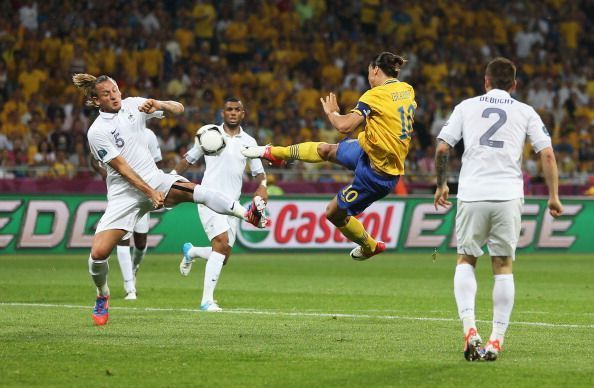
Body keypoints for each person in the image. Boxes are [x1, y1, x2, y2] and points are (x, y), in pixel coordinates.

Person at [72, 74, 269, 325]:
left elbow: (179, 108)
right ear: (95, 99)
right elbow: (122, 168)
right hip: (124, 195)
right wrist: (149, 192)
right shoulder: (97, 131)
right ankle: (102, 295)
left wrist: (159, 104)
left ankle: (246, 214)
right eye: (107, 94)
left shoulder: (133, 105)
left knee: (200, 192)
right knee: (98, 254)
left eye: (116, 90)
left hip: (155, 179)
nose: (114, 96)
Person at [433, 57, 564, 361]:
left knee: (466, 259)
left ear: (486, 81)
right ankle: (495, 341)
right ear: (514, 85)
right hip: (507, 196)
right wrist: (553, 195)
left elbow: (442, 148)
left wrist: (441, 184)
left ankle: (470, 330)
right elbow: (547, 154)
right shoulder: (525, 111)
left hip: (472, 193)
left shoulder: (466, 107)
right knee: (503, 266)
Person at [243, 52, 416, 260]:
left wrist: (332, 113)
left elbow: (344, 126)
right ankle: (275, 153)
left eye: (369, 72)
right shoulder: (407, 90)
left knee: (333, 213)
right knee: (326, 150)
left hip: (377, 175)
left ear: (375, 70)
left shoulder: (375, 95)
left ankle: (370, 245)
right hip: (367, 150)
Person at [172, 98, 268, 312]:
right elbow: (188, 159)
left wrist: (262, 187)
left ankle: (193, 252)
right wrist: (169, 178)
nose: (233, 113)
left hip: (232, 203)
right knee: (221, 242)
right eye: (229, 109)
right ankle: (207, 300)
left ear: (243, 114)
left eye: (237, 109)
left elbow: (259, 172)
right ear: (222, 113)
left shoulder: (250, 141)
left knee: (223, 256)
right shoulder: (209, 134)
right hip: (208, 198)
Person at [91, 127, 164, 300]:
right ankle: (129, 286)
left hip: (143, 194)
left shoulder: (149, 135)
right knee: (122, 241)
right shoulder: (108, 131)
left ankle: (133, 271)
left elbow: (156, 165)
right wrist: (104, 173)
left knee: (140, 244)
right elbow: (94, 159)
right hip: (122, 197)